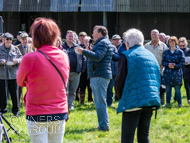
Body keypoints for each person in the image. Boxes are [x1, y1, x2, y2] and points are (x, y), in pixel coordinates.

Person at [17, 17, 70, 143]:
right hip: (59, 110)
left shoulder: (29, 58)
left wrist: (32, 82)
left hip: (37, 111)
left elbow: (20, 82)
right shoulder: (63, 56)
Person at [115, 28, 161, 143]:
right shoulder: (151, 56)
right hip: (150, 101)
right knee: (143, 137)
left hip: (133, 101)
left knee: (127, 139)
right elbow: (158, 78)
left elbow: (119, 81)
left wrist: (121, 98)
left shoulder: (126, 55)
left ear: (127, 43)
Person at [75, 25, 114, 131]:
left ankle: (104, 126)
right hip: (99, 75)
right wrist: (90, 51)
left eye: (94, 32)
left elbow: (97, 57)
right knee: (100, 102)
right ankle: (103, 125)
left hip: (99, 75)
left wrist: (83, 51)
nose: (92, 34)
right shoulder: (104, 42)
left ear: (100, 34)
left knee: (100, 102)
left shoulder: (102, 43)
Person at [62, 30, 86, 110]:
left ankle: (71, 104)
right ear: (66, 37)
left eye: (72, 36)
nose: (71, 38)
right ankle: (65, 105)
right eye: (69, 36)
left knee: (73, 90)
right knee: (66, 90)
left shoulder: (77, 47)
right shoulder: (62, 47)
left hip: (76, 72)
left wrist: (82, 69)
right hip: (65, 73)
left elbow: (83, 58)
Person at [0, 32, 22, 116]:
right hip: (2, 75)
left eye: (10, 39)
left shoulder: (15, 49)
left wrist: (17, 61)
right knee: (3, 94)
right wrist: (1, 61)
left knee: (15, 94)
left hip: (13, 74)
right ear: (3, 39)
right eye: (7, 39)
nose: (9, 41)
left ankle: (16, 110)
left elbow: (21, 58)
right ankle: (3, 110)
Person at [145, 29, 168, 105]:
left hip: (160, 70)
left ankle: (162, 102)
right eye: (152, 34)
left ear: (158, 35)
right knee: (150, 87)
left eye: (155, 34)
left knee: (161, 87)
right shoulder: (146, 46)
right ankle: (152, 101)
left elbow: (167, 57)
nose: (154, 36)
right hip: (149, 70)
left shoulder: (163, 46)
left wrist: (163, 64)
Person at [162, 36, 185, 107]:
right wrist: (168, 64)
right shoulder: (166, 52)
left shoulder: (180, 52)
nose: (171, 43)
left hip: (177, 74)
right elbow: (163, 62)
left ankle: (179, 104)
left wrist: (175, 65)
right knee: (168, 90)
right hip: (168, 74)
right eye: (170, 42)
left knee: (177, 91)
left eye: (173, 42)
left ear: (176, 43)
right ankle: (168, 104)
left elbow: (182, 62)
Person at [106, 35, 120, 106]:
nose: (117, 41)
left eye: (118, 39)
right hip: (106, 71)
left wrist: (111, 53)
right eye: (115, 39)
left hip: (114, 72)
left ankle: (109, 103)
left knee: (110, 89)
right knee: (106, 88)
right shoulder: (106, 47)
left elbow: (117, 57)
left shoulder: (113, 48)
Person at [178, 37, 190, 104]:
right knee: (178, 86)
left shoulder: (189, 50)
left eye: (183, 45)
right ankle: (176, 98)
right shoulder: (177, 51)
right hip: (179, 69)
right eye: (180, 46)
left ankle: (189, 99)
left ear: (186, 44)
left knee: (187, 86)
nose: (182, 47)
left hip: (187, 70)